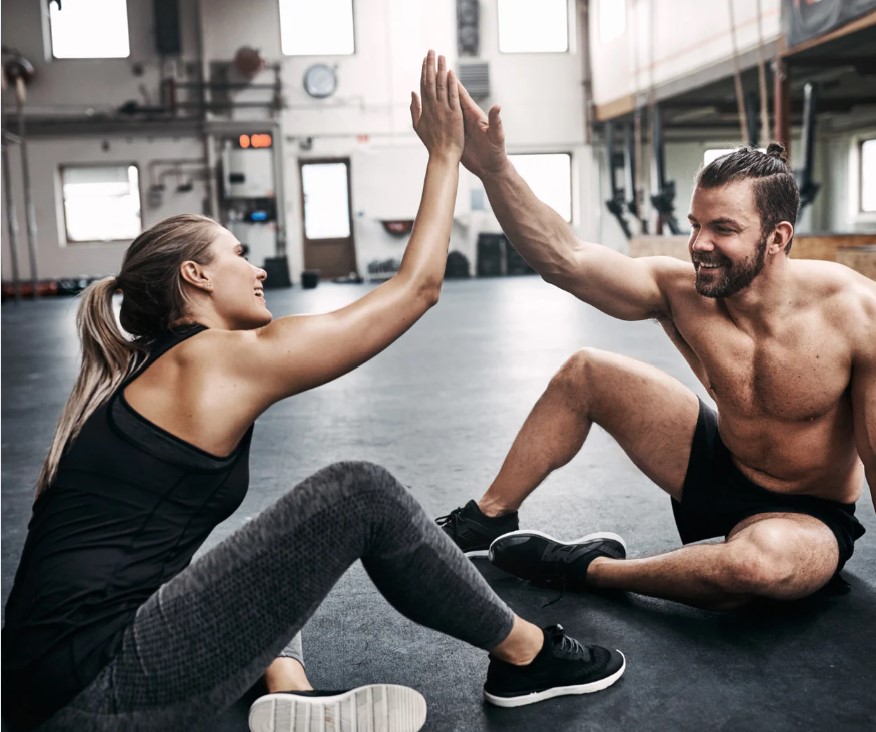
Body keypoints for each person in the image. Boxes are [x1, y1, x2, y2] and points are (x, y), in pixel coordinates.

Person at [0, 52, 625, 732]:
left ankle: (288, 691)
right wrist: (446, 155)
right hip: (93, 693)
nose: (258, 269)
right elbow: (416, 289)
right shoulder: (208, 362)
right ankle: (528, 656)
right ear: (195, 277)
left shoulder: (150, 370)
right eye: (238, 254)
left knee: (259, 549)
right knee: (358, 492)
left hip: (51, 685)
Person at [437, 80, 876, 612]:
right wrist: (494, 170)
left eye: (723, 229)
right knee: (586, 371)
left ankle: (587, 568)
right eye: (695, 225)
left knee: (755, 566)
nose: (699, 244)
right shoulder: (682, 291)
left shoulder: (855, 315)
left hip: (805, 516)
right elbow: (565, 259)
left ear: (777, 238)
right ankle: (489, 517)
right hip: (716, 467)